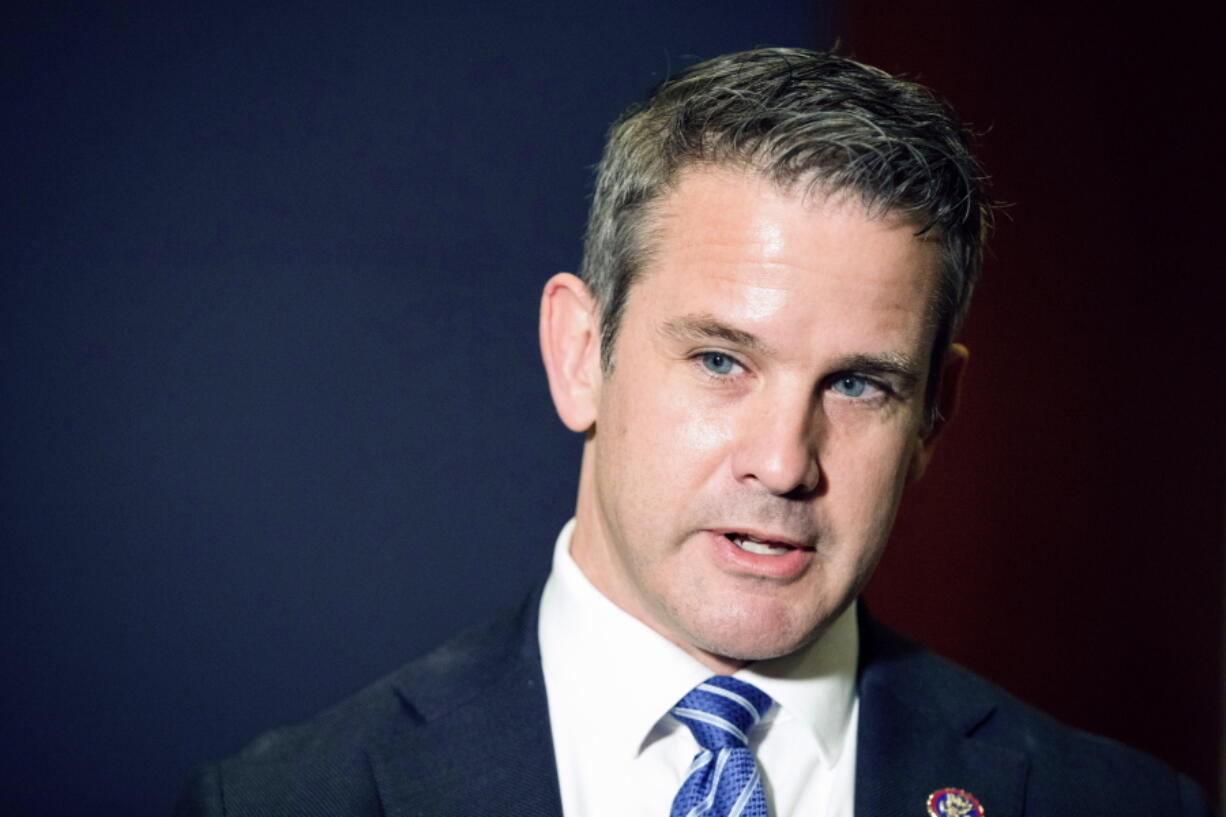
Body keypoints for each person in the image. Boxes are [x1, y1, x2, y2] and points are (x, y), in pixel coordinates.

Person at [176, 48, 1210, 817]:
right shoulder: (285, 800)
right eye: (721, 360)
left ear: (933, 413)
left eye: (855, 385)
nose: (781, 460)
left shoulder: (1120, 804)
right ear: (581, 352)